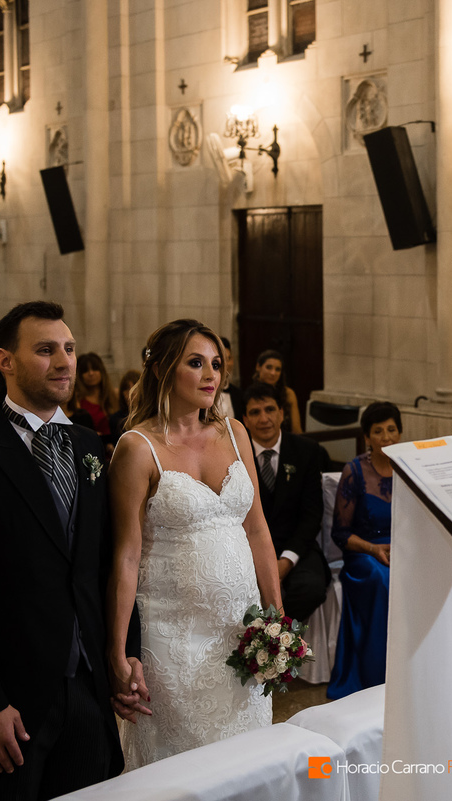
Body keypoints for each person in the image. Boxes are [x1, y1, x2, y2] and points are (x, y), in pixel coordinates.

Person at [0, 301, 144, 800]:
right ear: (5, 360)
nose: (64, 362)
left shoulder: (89, 446)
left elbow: (106, 564)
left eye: (69, 348)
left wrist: (123, 653)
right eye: (45, 350)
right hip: (11, 697)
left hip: (88, 687)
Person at [107, 319, 281, 769]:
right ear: (162, 368)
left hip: (241, 630)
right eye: (196, 363)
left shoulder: (235, 433)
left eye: (216, 364)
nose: (211, 375)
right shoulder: (137, 447)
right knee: (184, 767)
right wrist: (118, 650)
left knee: (248, 759)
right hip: (172, 639)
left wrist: (276, 616)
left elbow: (257, 529)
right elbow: (125, 556)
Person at [326, 401, 401, 700]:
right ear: (367, 437)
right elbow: (340, 533)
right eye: (378, 431)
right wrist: (372, 548)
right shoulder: (354, 471)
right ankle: (377, 677)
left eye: (392, 429)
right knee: (383, 580)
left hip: (401, 549)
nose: (386, 437)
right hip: (365, 553)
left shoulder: (409, 467)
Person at [242, 381, 332, 622]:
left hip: (296, 545)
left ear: (282, 413)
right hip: (249, 548)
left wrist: (287, 560)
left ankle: (279, 635)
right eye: (255, 412)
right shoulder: (235, 455)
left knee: (311, 588)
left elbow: (312, 514)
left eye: (270, 409)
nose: (264, 419)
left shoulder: (307, 451)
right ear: (245, 420)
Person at [252, 349, 302, 434]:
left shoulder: (288, 393)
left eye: (277, 369)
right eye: (269, 367)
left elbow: (296, 430)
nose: (273, 373)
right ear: (258, 367)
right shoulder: (250, 394)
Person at [69, 353, 116, 438]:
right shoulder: (76, 400)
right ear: (79, 375)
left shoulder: (114, 395)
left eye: (95, 369)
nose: (91, 373)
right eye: (85, 371)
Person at [106, 370, 140, 447]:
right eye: (127, 388)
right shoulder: (116, 419)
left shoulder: (151, 415)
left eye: (135, 387)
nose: (131, 392)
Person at [216, 336, 243, 419]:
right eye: (222, 359)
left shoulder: (239, 394)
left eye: (229, 358)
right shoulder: (204, 393)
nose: (226, 363)